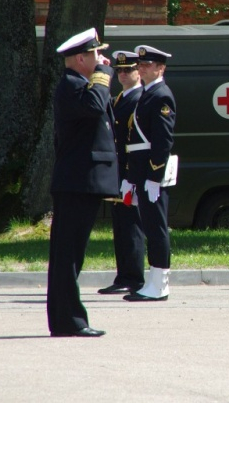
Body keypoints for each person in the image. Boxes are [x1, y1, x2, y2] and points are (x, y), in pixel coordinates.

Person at [47, 28, 118, 337]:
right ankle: (69, 321)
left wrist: (99, 74)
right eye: (94, 54)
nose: (100, 58)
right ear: (80, 58)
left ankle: (69, 320)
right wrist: (103, 73)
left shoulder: (79, 84)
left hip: (80, 182)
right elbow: (94, 106)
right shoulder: (72, 86)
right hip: (76, 182)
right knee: (67, 255)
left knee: (71, 254)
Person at [122, 44, 177, 302]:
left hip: (152, 174)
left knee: (156, 228)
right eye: (140, 65)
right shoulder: (147, 93)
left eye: (146, 65)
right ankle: (153, 282)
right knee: (150, 227)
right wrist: (132, 179)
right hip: (142, 171)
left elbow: (162, 141)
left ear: (160, 68)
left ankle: (160, 284)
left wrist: (154, 177)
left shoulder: (161, 95)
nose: (141, 68)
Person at [97, 51, 146, 295]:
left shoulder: (140, 99)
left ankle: (135, 278)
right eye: (120, 70)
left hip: (131, 172)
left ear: (139, 72)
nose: (123, 74)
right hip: (118, 172)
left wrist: (131, 175)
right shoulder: (118, 99)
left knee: (132, 227)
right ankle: (123, 275)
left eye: (129, 70)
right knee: (120, 226)